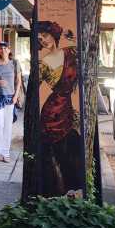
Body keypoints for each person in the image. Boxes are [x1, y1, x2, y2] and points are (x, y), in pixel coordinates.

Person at [37, 20, 83, 196]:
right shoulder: (44, 62)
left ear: (54, 35)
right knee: (55, 153)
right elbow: (35, 86)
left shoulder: (70, 52)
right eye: (40, 37)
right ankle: (58, 192)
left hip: (67, 108)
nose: (43, 39)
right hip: (52, 113)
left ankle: (72, 188)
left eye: (46, 35)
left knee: (72, 148)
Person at [0, 41, 22, 163]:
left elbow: (18, 81)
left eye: (5, 48)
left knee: (7, 126)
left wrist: (15, 96)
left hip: (10, 98)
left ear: (9, 50)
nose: (3, 50)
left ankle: (5, 152)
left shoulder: (15, 63)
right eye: (1, 48)